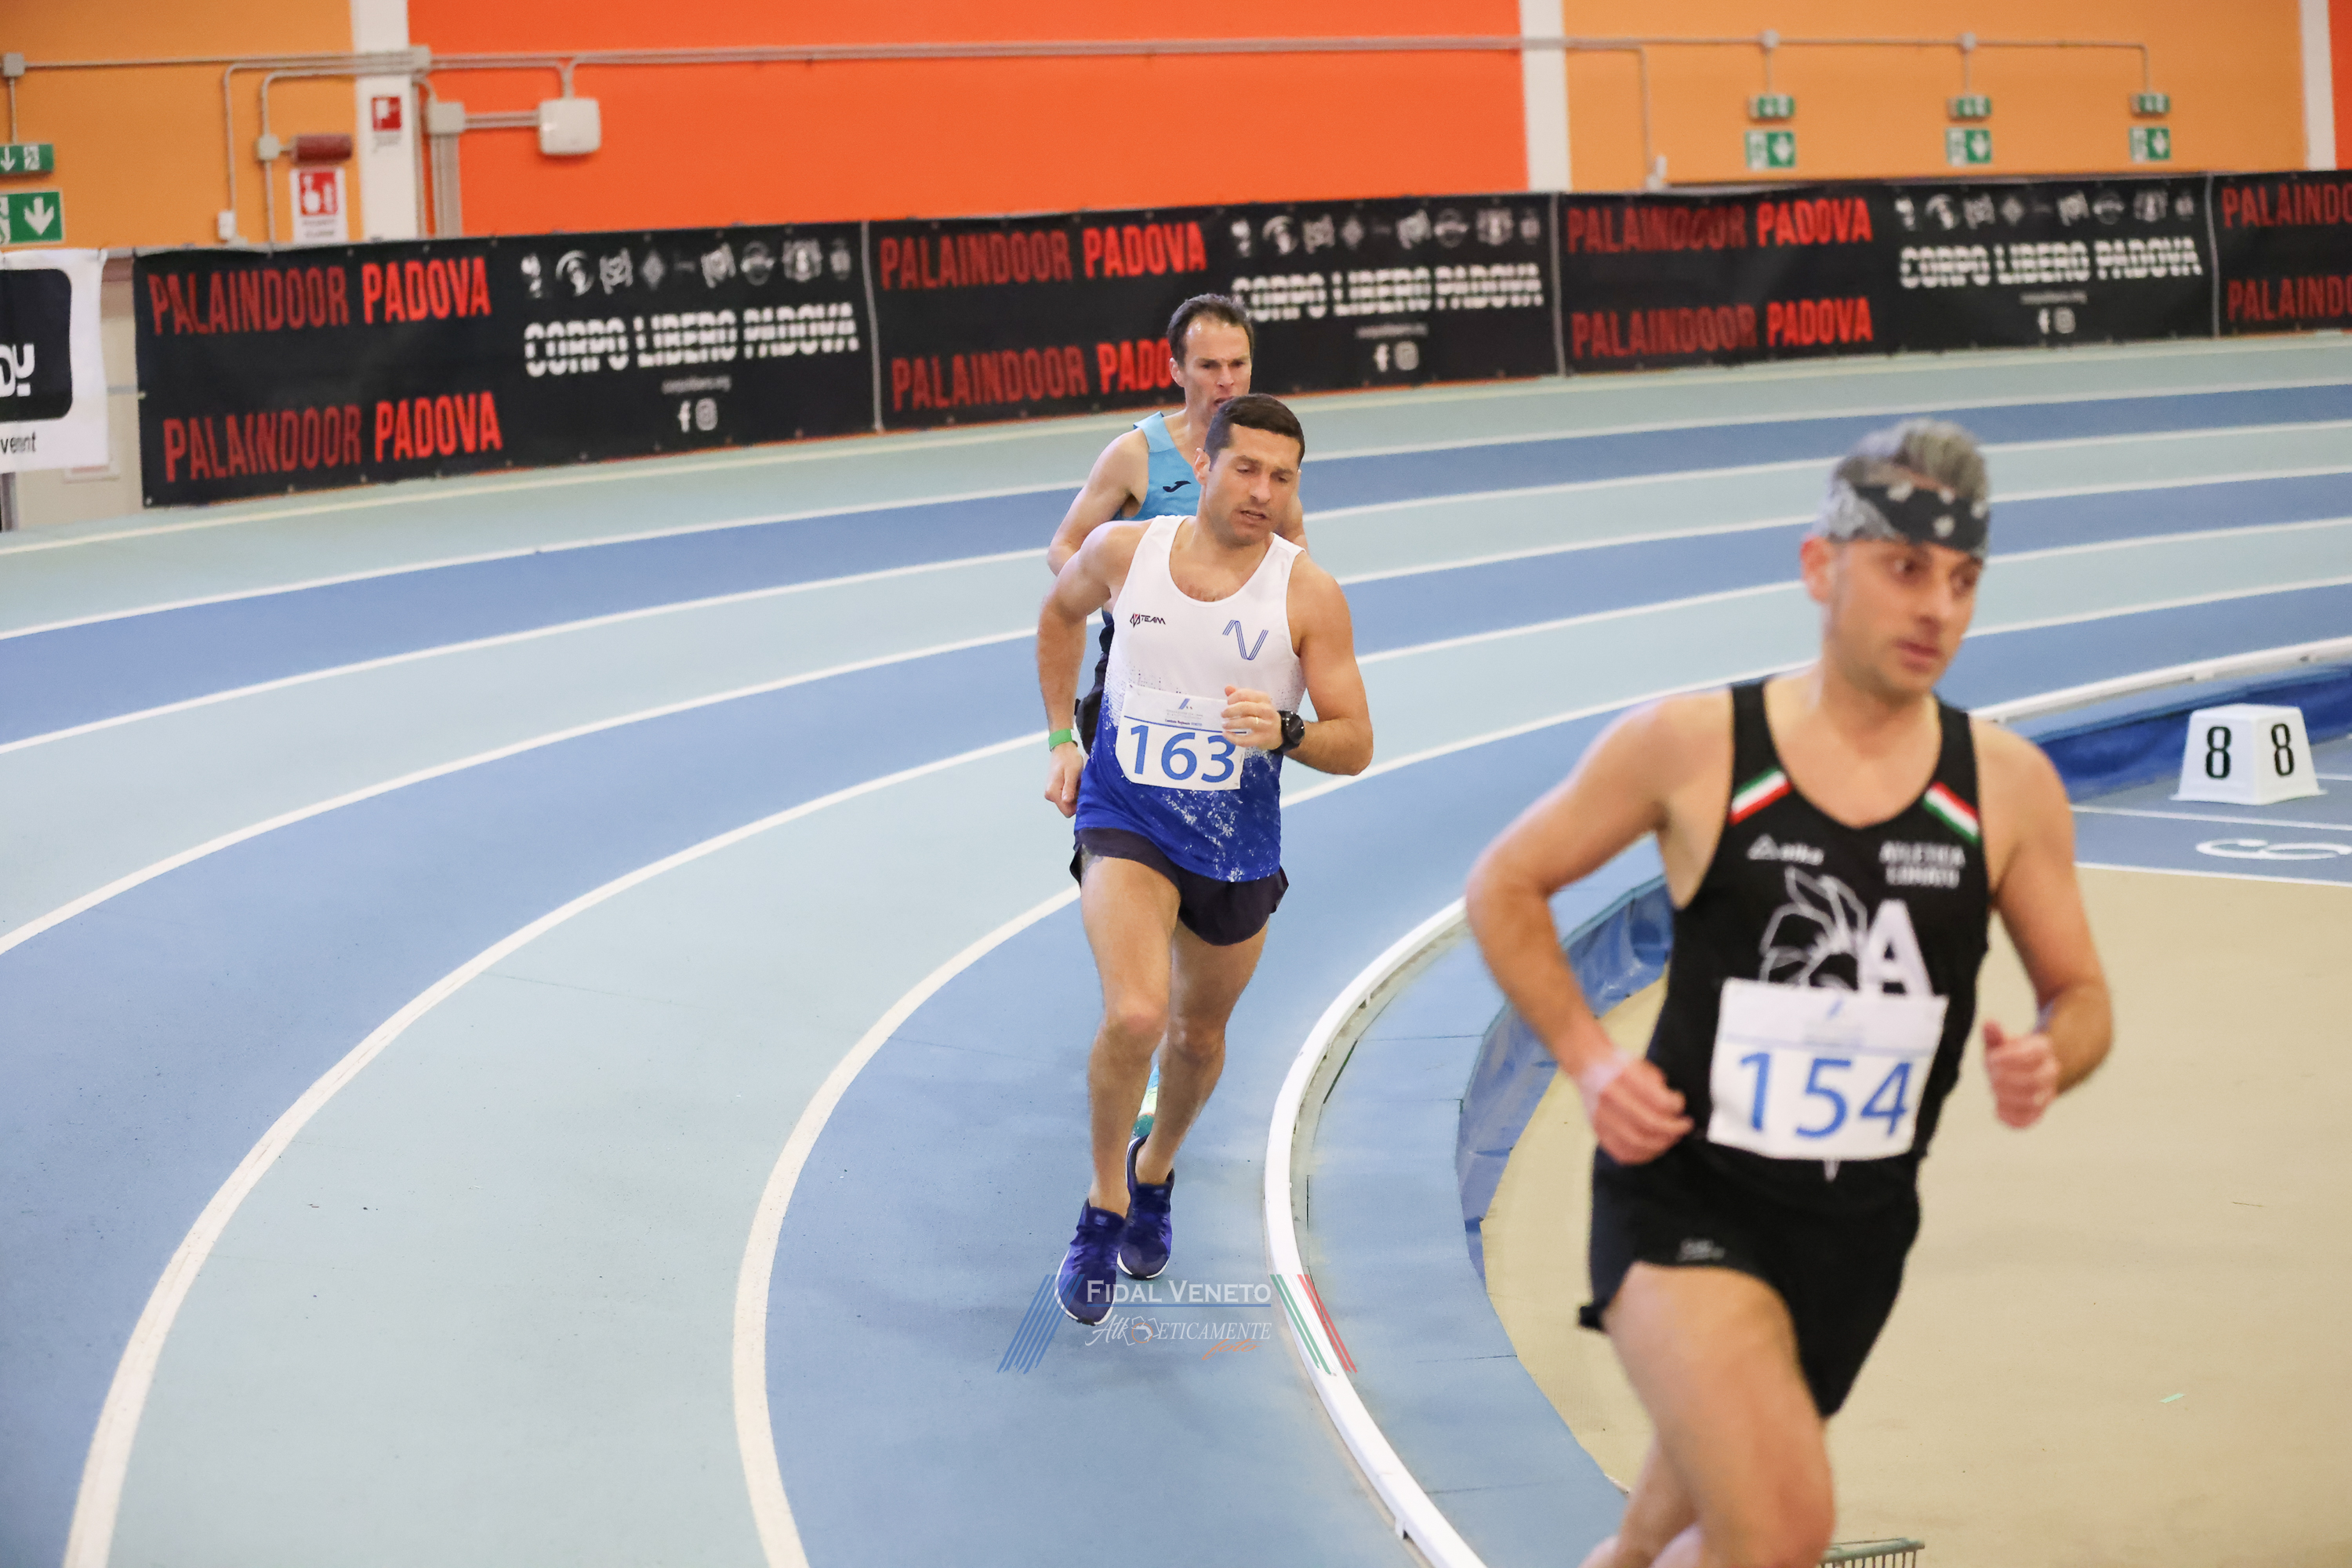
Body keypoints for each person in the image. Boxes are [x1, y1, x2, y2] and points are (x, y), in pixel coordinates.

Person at [1465, 420, 2112, 1568]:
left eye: (1963, 581)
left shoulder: (2007, 787)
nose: (1939, 608)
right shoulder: (1694, 747)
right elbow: (1506, 885)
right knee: (1780, 1529)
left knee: (1673, 1540)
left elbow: (2082, 995)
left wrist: (2052, 1055)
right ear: (1822, 568)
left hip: (1859, 1234)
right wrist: (1592, 1061)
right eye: (1905, 568)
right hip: (1685, 1199)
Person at [1036, 393, 1372, 1325]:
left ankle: (1155, 1169)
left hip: (1234, 843)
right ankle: (1103, 1206)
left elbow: (1357, 740)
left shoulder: (1308, 592)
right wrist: (1061, 737)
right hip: (1127, 814)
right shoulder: (1125, 552)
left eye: (1282, 477)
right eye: (1247, 469)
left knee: (1194, 1036)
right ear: (1204, 465)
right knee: (1137, 1013)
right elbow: (1058, 616)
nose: (1263, 490)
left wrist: (1290, 729)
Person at [1046, 294, 1307, 754]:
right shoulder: (1135, 454)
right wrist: (1122, 597)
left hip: (1231, 664)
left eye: (1238, 364)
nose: (1226, 380)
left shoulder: (1264, 454)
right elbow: (1064, 548)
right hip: (1140, 662)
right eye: (1209, 366)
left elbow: (1293, 540)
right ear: (1177, 371)